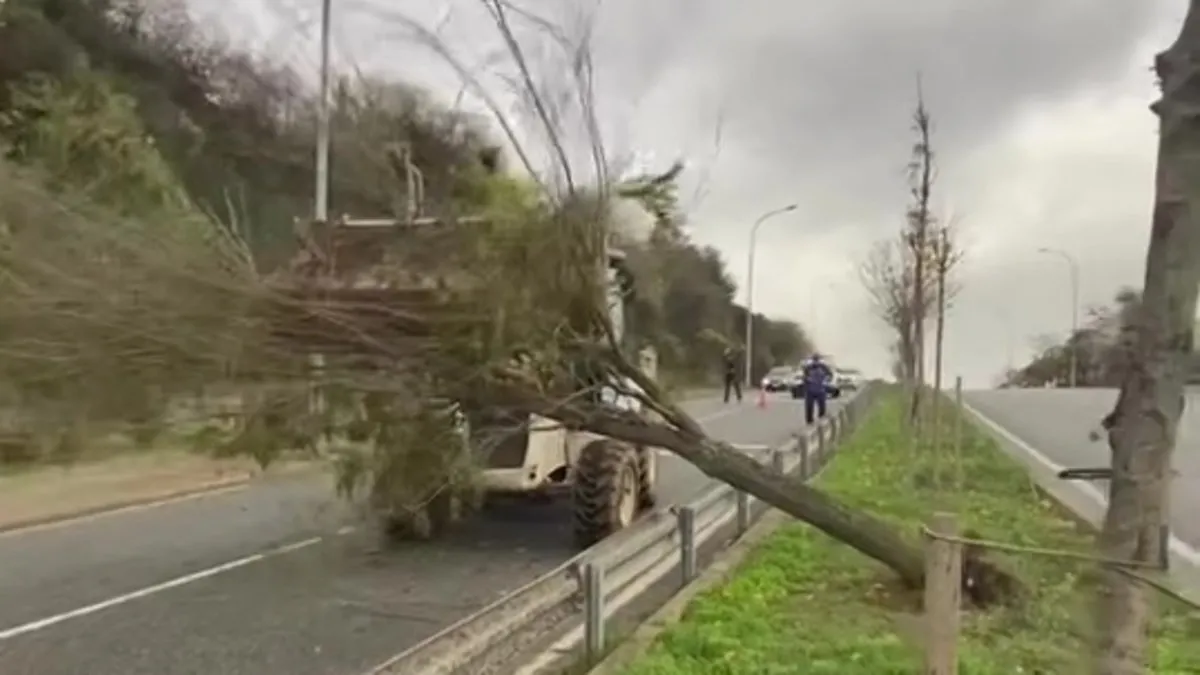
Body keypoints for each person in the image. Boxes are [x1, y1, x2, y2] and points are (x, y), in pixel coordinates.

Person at [800, 353, 833, 424]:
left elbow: (830, 375)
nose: (816, 361)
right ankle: (809, 422)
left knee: (822, 407)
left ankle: (821, 422)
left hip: (821, 390)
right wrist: (807, 380)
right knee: (809, 407)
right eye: (814, 360)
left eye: (817, 359)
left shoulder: (824, 367)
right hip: (810, 390)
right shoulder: (808, 367)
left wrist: (826, 380)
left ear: (819, 360)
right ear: (812, 360)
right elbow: (804, 377)